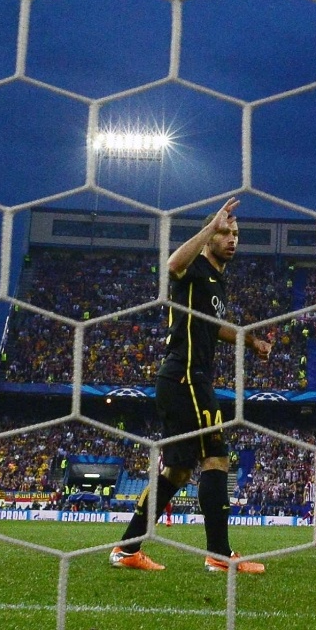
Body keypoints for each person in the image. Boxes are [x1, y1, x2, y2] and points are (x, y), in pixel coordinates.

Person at [109, 199, 273, 573]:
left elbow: (212, 327)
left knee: (178, 471)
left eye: (236, 235)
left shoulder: (216, 280)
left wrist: (251, 341)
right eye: (225, 233)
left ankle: (127, 550)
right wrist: (206, 228)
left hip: (183, 379)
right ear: (209, 237)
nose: (233, 240)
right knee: (216, 457)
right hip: (185, 377)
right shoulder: (194, 267)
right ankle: (219, 554)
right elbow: (171, 265)